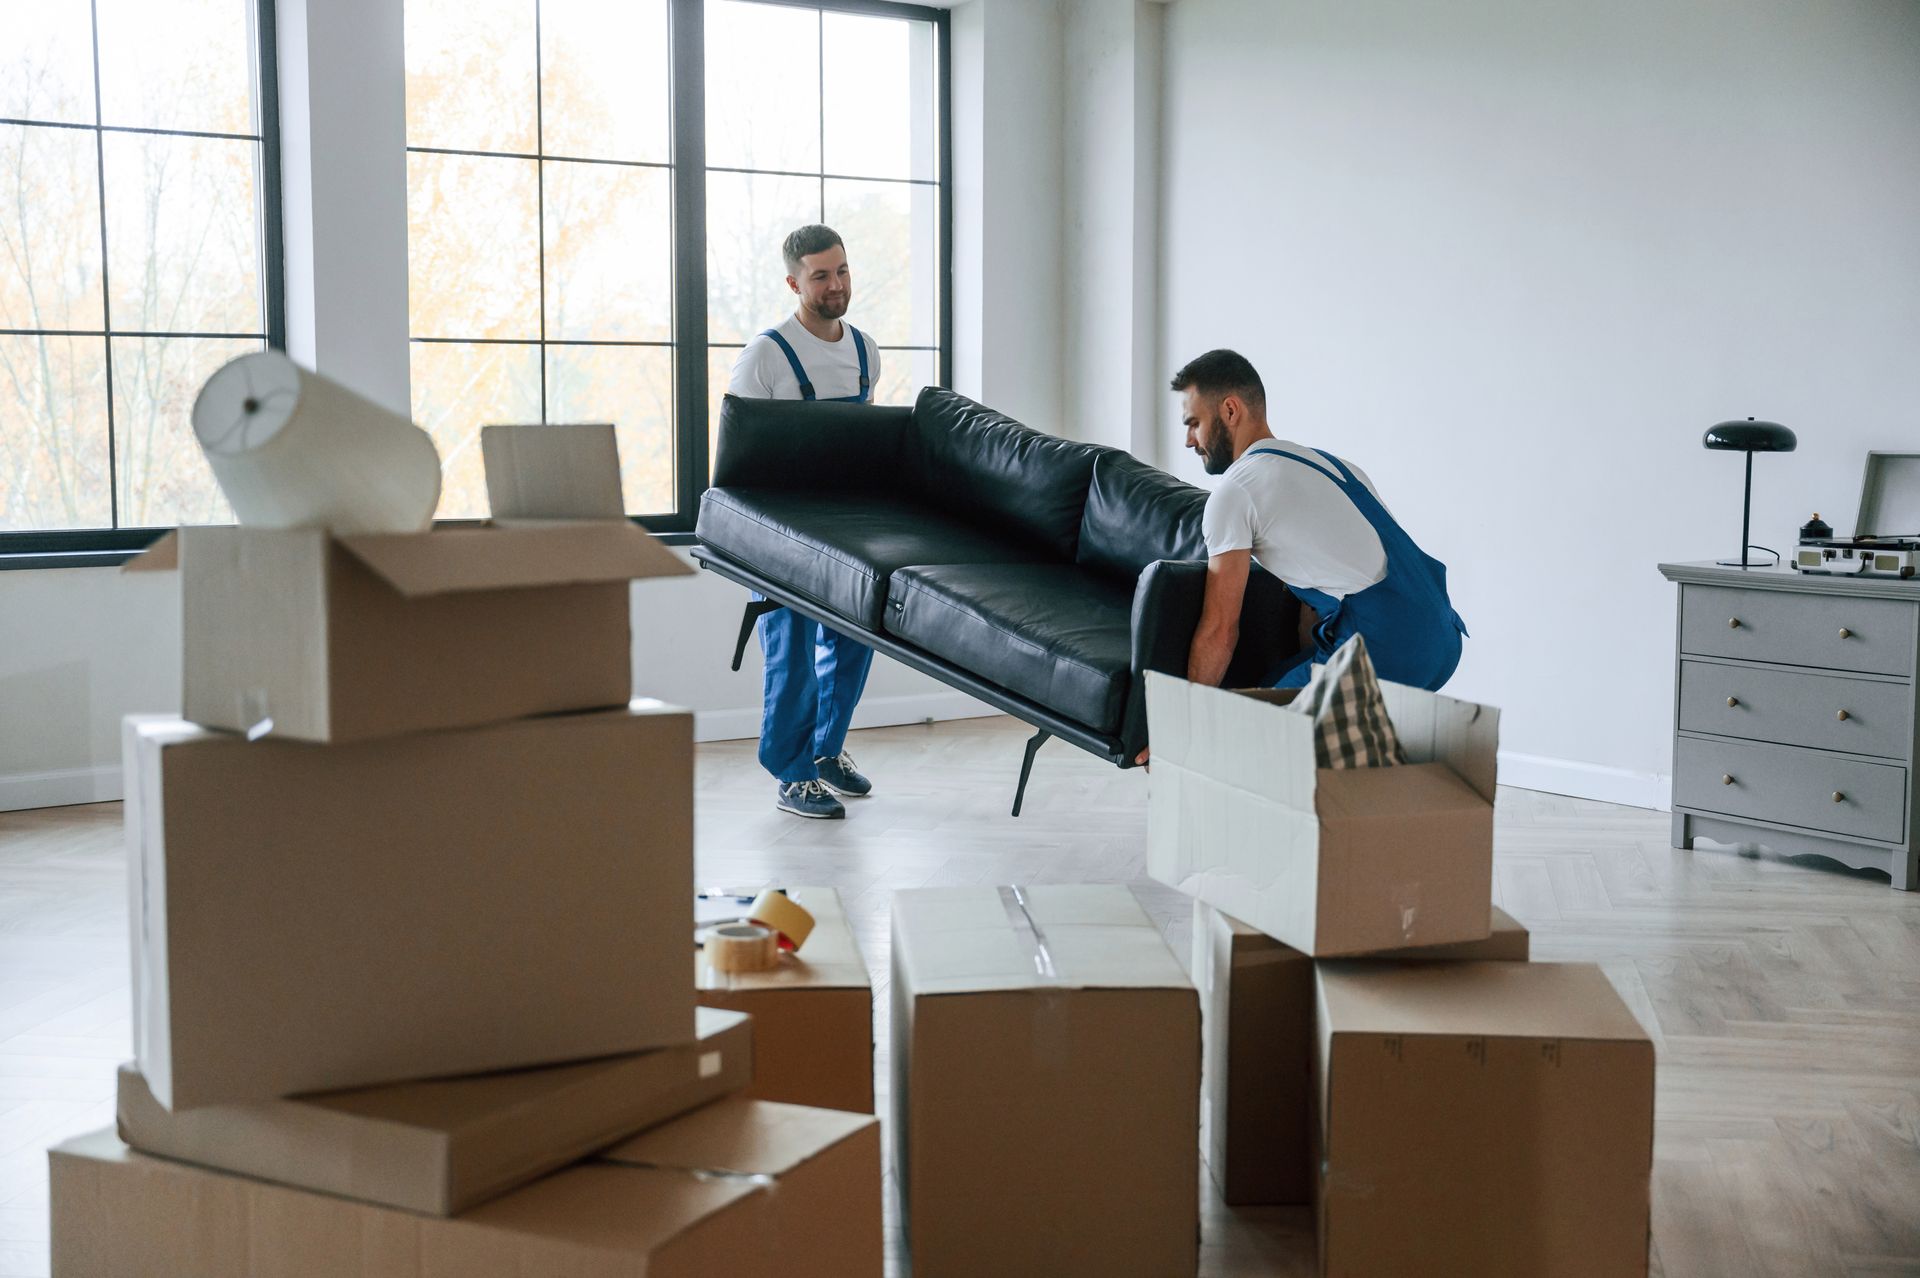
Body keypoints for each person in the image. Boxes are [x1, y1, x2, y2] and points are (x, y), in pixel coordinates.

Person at [1171, 347, 1465, 702]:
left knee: (1250, 724)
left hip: (1386, 646)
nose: (1189, 440)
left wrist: (1182, 715)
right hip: (1443, 639)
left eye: (1194, 423)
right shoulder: (1335, 466)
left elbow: (1219, 630)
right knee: (1285, 693)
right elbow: (1318, 599)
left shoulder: (1236, 490)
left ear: (1230, 410)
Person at [728, 224, 882, 819]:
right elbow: (738, 457)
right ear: (794, 283)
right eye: (820, 276)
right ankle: (791, 774)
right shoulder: (766, 354)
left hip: (847, 522)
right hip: (781, 526)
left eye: (841, 270)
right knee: (791, 650)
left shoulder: (866, 350)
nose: (836, 284)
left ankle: (825, 751)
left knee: (855, 640)